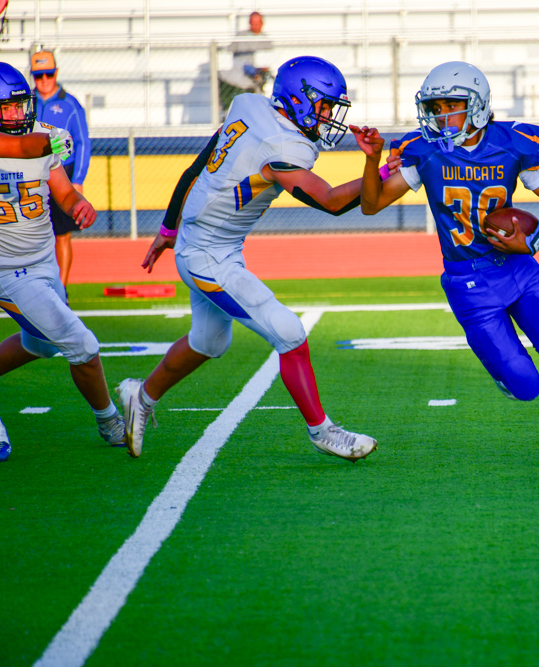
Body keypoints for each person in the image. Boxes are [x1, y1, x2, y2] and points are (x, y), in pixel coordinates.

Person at [117, 55, 386, 462]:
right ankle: (323, 432)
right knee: (289, 332)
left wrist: (169, 229)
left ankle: (141, 396)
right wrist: (377, 170)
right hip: (208, 256)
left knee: (208, 342)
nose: (329, 117)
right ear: (299, 99)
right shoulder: (283, 147)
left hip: (202, 242)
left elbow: (195, 168)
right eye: (324, 106)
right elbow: (331, 202)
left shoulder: (248, 105)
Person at [350, 61, 539, 471]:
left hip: (517, 267)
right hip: (468, 281)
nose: (441, 116)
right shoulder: (423, 149)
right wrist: (372, 160)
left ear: (479, 105)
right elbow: (371, 204)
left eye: (451, 106)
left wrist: (533, 242)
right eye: (435, 108)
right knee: (525, 386)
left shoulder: (514, 142)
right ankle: (500, 364)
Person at [0, 62, 124, 460]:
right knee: (81, 344)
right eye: (8, 108)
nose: (18, 114)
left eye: (21, 105)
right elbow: (27, 148)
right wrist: (51, 142)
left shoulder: (39, 136)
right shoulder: (39, 141)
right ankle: (109, 419)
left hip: (43, 261)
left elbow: (64, 191)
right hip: (8, 270)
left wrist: (78, 204)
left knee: (40, 344)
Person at [30, 49, 91, 294]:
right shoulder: (26, 103)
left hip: (62, 173)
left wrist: (78, 179)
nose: (44, 80)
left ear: (56, 73)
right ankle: (38, 286)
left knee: (62, 234)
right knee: (33, 234)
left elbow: (83, 142)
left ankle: (61, 291)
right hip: (33, 174)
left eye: (48, 74)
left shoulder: (70, 104)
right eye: (38, 75)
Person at [218, 11, 272, 119]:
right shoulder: (241, 36)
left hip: (254, 75)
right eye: (253, 23)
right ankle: (226, 111)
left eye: (257, 23)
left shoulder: (266, 41)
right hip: (236, 72)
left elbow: (268, 61)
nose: (255, 26)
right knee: (220, 75)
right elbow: (229, 51)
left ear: (262, 23)